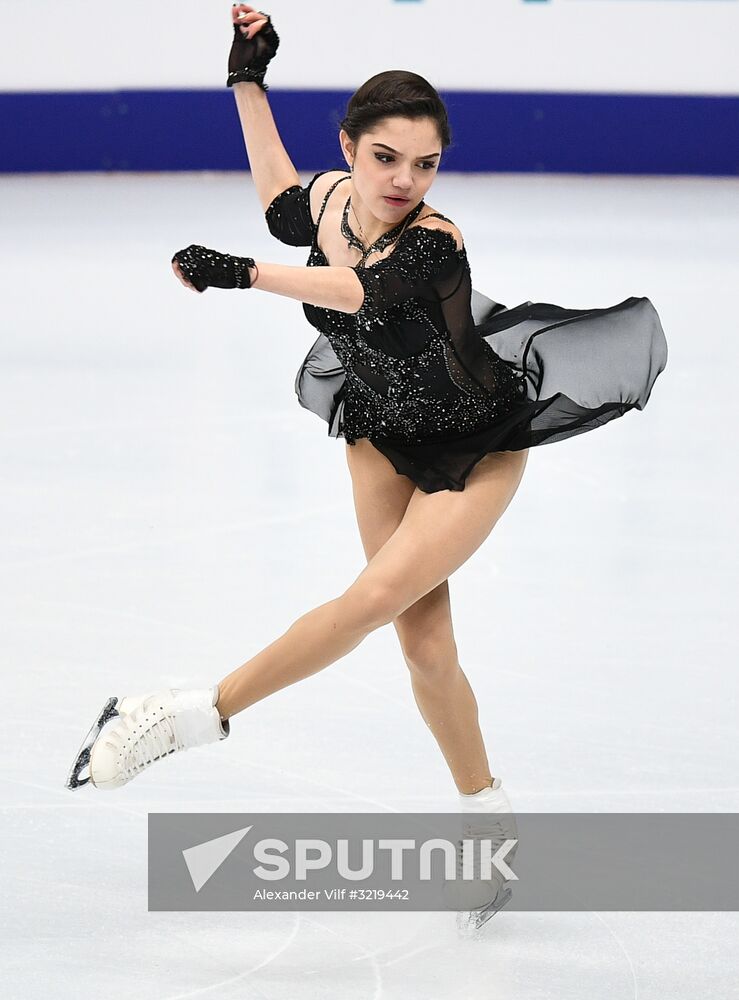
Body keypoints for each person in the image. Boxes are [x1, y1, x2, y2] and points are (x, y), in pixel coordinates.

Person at [66, 4, 667, 927]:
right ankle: (488, 827)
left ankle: (183, 715)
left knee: (372, 600)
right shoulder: (330, 199)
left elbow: (363, 290)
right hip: (377, 428)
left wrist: (245, 276)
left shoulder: (435, 240)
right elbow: (279, 202)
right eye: (386, 156)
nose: (403, 179)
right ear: (350, 147)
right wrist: (247, 81)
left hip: (473, 443)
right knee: (424, 648)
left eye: (424, 162)